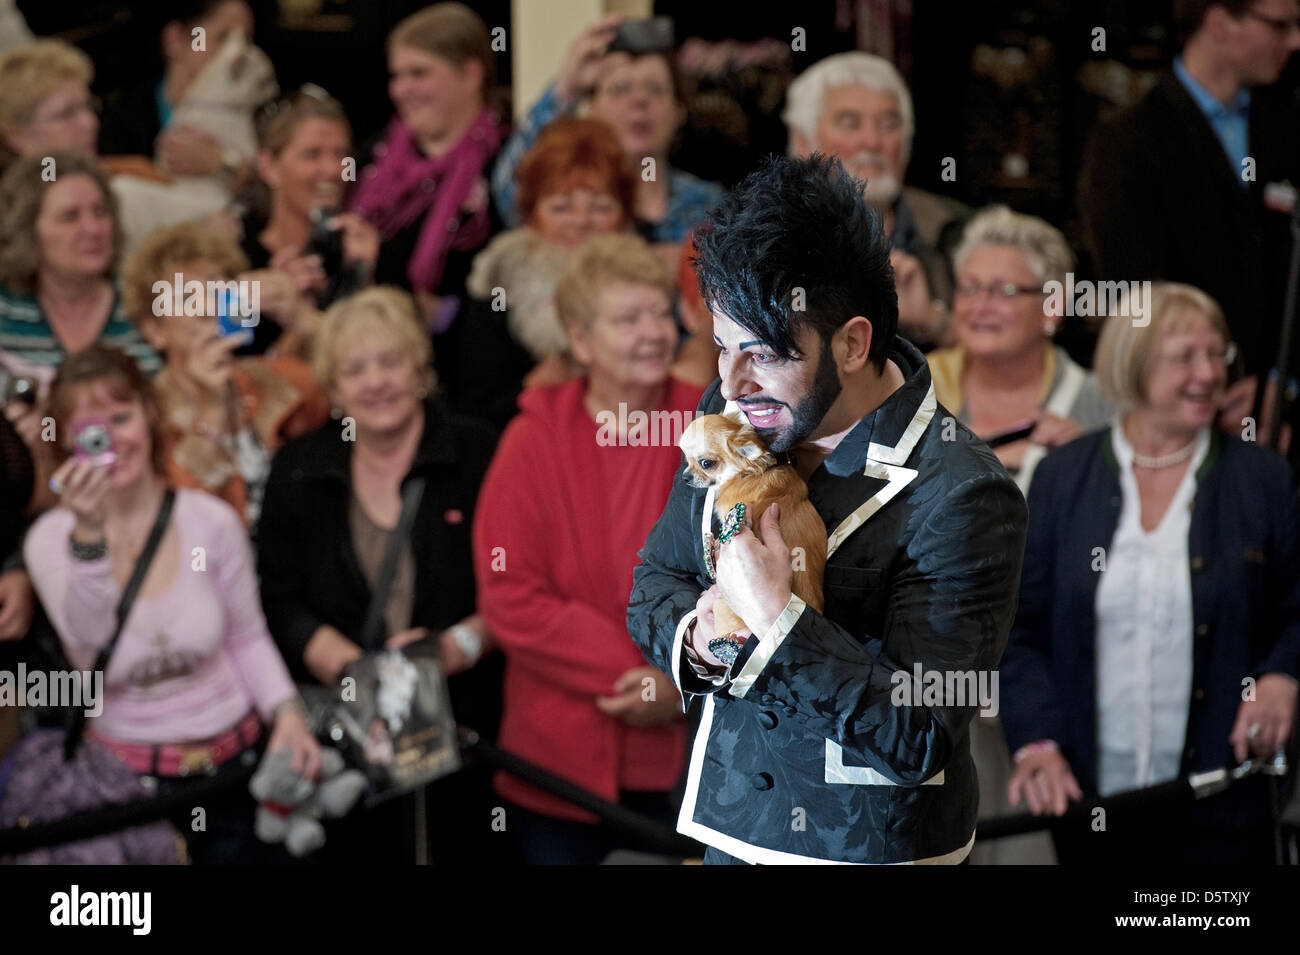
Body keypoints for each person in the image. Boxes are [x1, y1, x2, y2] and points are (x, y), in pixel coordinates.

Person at [626, 154, 1028, 865]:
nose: (731, 382)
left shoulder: (966, 491)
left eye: (763, 353)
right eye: (721, 346)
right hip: (724, 834)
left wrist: (779, 621)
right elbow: (654, 582)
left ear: (852, 341)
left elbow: (921, 734)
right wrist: (704, 639)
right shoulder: (733, 409)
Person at [1000, 282, 1299, 865]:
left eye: (1218, 355)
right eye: (1186, 356)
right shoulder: (1064, 478)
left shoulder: (1262, 481)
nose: (1209, 374)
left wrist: (1282, 676)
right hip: (1091, 803)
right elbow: (1020, 629)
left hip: (1226, 802)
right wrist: (1037, 741)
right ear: (1133, 363)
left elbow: (1294, 608)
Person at [22, 344, 318, 864]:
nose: (111, 440)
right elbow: (89, 657)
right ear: (65, 441)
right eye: (90, 428)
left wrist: (288, 713)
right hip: (128, 790)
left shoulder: (210, 521)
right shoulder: (50, 540)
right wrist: (88, 542)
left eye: (122, 417)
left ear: (150, 416)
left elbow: (247, 636)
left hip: (236, 769)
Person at [257, 286, 504, 864]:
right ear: (334, 388)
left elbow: (520, 578)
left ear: (419, 368)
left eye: (390, 361)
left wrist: (455, 648)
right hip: (344, 725)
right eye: (354, 369)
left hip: (468, 718)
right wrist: (355, 673)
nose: (376, 382)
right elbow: (276, 591)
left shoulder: (478, 450)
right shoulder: (299, 467)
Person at [473, 233, 697, 864]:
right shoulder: (531, 439)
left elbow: (751, 584)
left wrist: (682, 685)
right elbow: (509, 593)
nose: (653, 332)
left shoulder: (713, 427)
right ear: (579, 340)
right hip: (558, 760)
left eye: (659, 311)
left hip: (690, 754)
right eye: (628, 319)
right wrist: (637, 673)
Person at [1077, 0, 1300, 446]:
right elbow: (1135, 293)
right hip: (1178, 415)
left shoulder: (1287, 126)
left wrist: (1284, 384)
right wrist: (1210, 382)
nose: (1295, 41)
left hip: (1283, 418)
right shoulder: (1128, 140)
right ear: (1218, 21)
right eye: (1280, 25)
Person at [120, 222, 329, 532]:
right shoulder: (142, 417)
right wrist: (211, 412)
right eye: (187, 298)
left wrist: (306, 320)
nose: (207, 308)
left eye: (218, 292)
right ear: (155, 330)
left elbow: (377, 390)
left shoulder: (279, 380)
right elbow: (175, 531)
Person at [490, 16, 724, 266]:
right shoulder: (570, 202)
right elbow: (510, 189)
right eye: (620, 88)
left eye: (655, 88)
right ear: (590, 109)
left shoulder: (709, 204)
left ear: (678, 112)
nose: (639, 101)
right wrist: (566, 89)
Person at [450, 116, 636, 428]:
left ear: (624, 216)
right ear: (532, 214)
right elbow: (469, 411)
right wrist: (528, 390)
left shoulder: (649, 283)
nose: (581, 221)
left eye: (600, 207)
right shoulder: (499, 282)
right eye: (561, 207)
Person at [785, 52, 970, 348]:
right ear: (804, 142)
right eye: (850, 123)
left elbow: (1014, 363)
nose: (872, 141)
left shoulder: (961, 232)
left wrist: (934, 322)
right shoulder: (766, 239)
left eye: (888, 124)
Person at [928, 206, 1114, 494]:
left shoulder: (1100, 405)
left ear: (1052, 307)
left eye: (1004, 291)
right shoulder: (917, 390)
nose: (980, 306)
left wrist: (1088, 464)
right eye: (970, 288)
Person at [348, 3, 507, 328]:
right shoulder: (373, 156)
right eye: (396, 76)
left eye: (419, 73)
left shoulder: (505, 163)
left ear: (471, 74)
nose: (402, 90)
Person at [239, 85, 380, 356]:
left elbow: (387, 365)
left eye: (340, 154)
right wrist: (295, 313)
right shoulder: (234, 265)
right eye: (312, 154)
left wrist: (361, 282)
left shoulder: (368, 252)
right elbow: (239, 384)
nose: (332, 170)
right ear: (269, 166)